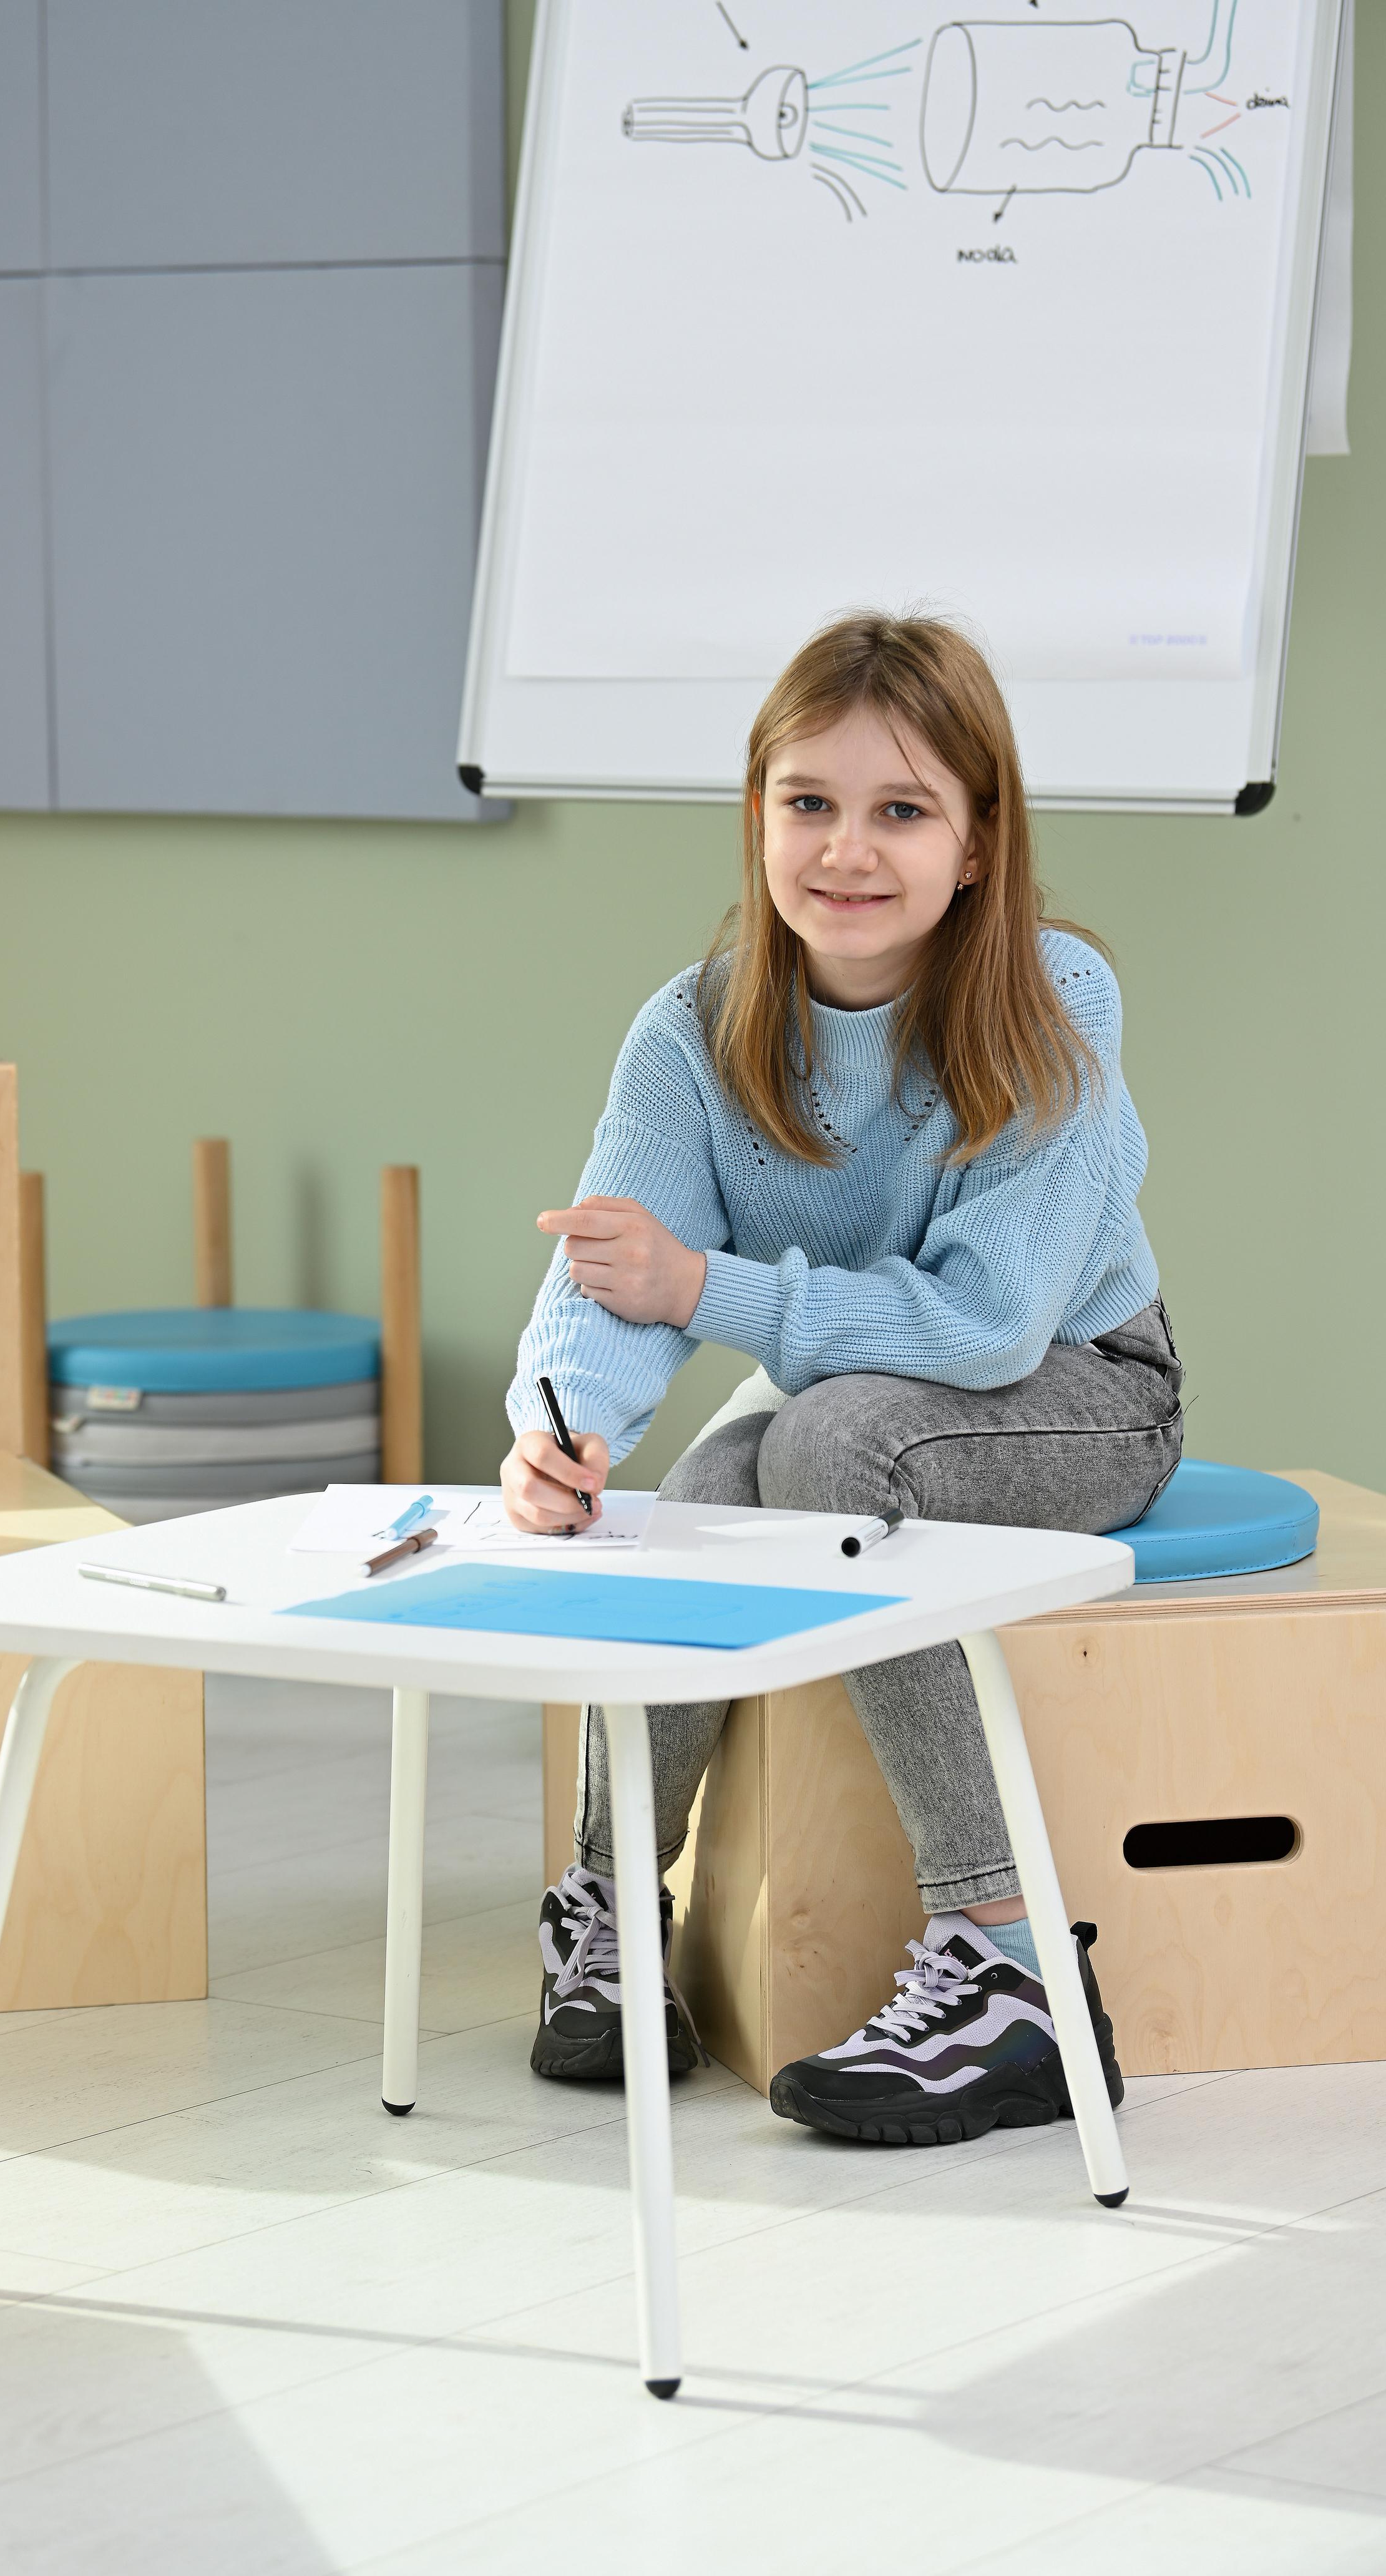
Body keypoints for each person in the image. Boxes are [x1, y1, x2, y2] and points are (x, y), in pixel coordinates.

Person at [500, 612, 1182, 2147]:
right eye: (807, 803)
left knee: (825, 1448)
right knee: (693, 1496)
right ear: (755, 817)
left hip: (1087, 1388)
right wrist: (560, 1431)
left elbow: (992, 1328)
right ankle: (608, 1915)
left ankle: (1010, 1969)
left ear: (977, 841)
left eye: (900, 809)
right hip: (852, 1405)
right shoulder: (693, 1031)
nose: (846, 850)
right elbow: (609, 1277)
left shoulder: (1050, 998)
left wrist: (711, 1291)